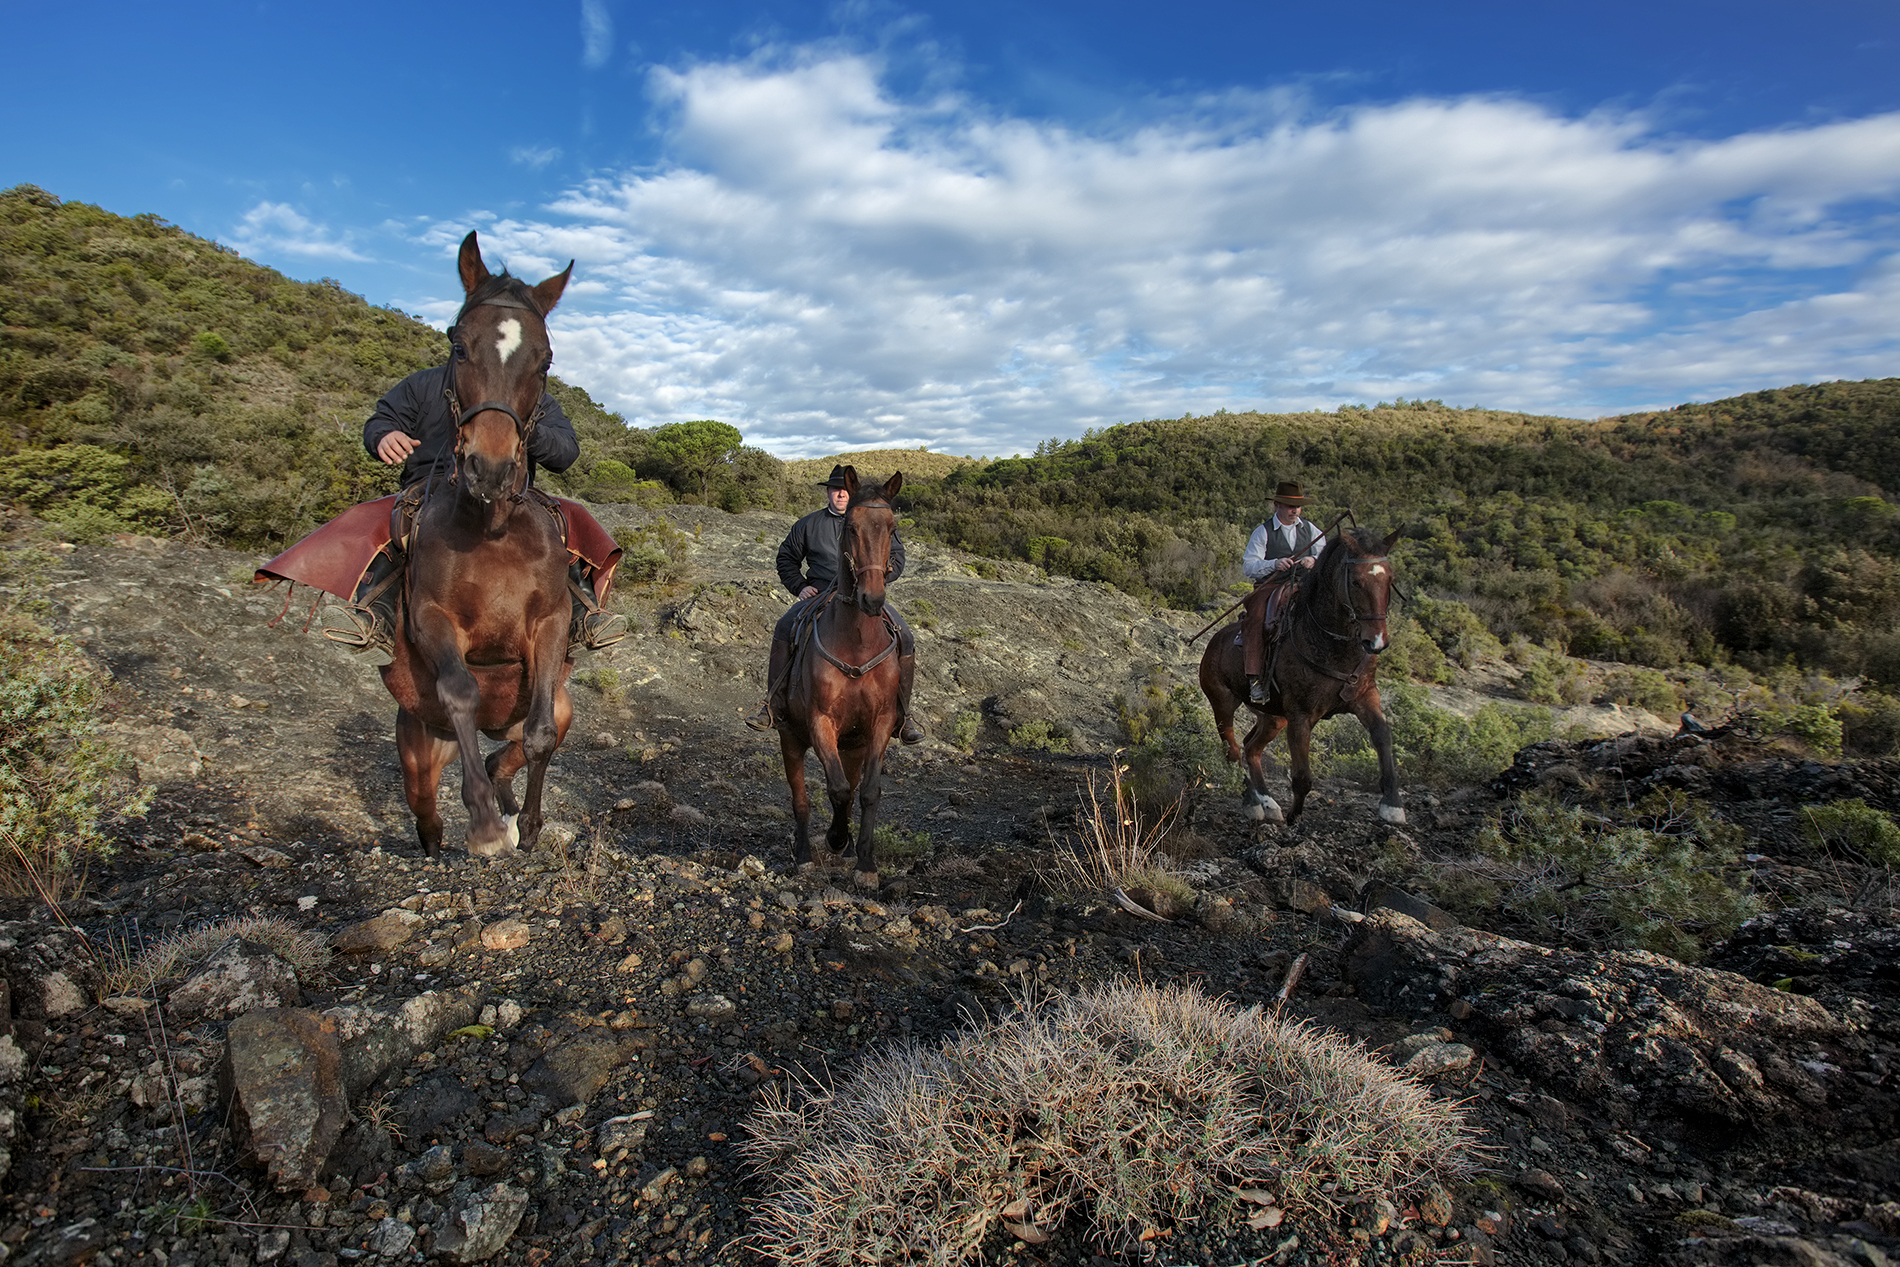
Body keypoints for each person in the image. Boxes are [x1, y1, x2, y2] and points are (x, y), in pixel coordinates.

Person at [297, 356, 625, 655]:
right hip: (431, 482)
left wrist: (525, 426)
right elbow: (382, 420)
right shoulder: (424, 384)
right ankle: (374, 613)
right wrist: (383, 435)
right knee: (392, 518)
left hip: (510, 486)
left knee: (568, 517)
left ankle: (584, 614)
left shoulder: (532, 396)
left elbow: (566, 452)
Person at [745, 465, 925, 743]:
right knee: (784, 627)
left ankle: (903, 716)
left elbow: (897, 557)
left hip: (865, 592)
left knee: (906, 637)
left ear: (851, 494)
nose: (840, 494)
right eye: (834, 489)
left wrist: (876, 579)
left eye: (844, 490)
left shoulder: (872, 520)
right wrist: (801, 586)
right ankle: (772, 705)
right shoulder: (808, 524)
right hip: (819, 593)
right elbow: (786, 559)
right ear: (828, 493)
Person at [1239, 480, 1324, 704]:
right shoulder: (1263, 532)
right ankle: (1255, 680)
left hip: (1304, 584)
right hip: (1271, 586)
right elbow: (1249, 566)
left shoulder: (1311, 529)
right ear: (1276, 505)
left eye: (1297, 506)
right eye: (1288, 505)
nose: (1294, 510)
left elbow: (1324, 555)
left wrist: (1313, 560)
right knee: (1256, 618)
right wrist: (1274, 563)